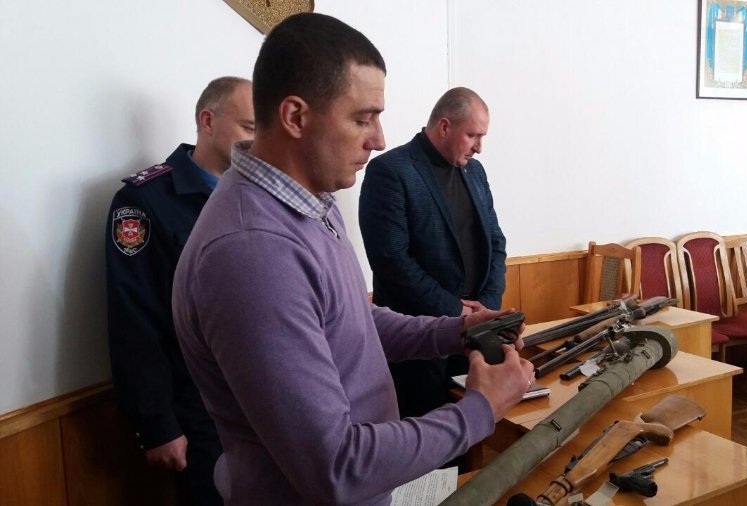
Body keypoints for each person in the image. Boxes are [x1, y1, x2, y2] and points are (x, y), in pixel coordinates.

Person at [170, 13, 533, 505]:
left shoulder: (310, 201)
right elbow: (336, 466)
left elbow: (352, 320)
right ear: (296, 117)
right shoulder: (252, 251)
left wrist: (457, 330)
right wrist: (481, 409)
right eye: (363, 118)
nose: (378, 139)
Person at [105, 76, 254, 506]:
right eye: (249, 127)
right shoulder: (146, 201)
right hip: (198, 407)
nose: (259, 141)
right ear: (208, 121)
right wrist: (157, 424)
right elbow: (134, 317)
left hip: (260, 396)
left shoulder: (257, 192)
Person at [359, 87, 507, 420]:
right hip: (418, 343)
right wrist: (455, 311)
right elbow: (391, 261)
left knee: (474, 433)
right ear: (444, 126)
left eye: (482, 137)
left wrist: (486, 306)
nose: (479, 147)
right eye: (472, 135)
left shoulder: (475, 172)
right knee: (425, 438)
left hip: (474, 334)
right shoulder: (391, 171)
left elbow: (496, 242)